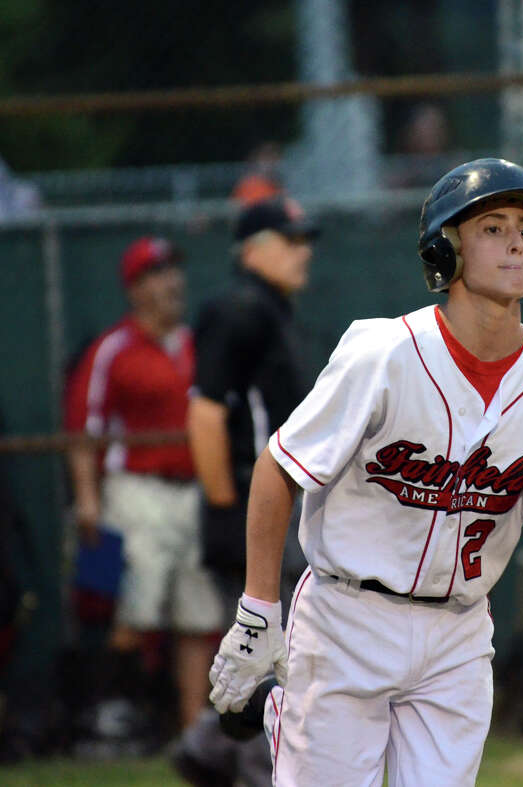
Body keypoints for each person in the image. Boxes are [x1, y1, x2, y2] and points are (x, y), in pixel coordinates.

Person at [206, 158, 523, 786]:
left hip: (457, 635)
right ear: (445, 249)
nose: (516, 239)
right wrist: (257, 611)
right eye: (492, 226)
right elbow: (279, 468)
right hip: (348, 620)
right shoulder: (383, 352)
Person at [172, 196, 319, 786]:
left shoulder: (271, 310)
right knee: (276, 647)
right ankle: (261, 770)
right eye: (289, 240)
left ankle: (208, 747)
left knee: (276, 644)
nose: (302, 251)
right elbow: (204, 415)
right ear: (253, 250)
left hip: (276, 507)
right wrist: (230, 509)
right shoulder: (239, 309)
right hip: (251, 506)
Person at [64, 237, 221, 738]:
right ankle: (113, 716)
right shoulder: (114, 348)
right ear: (135, 287)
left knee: (199, 614)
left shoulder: (198, 343)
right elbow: (83, 431)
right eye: (157, 273)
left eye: (174, 270)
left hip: (194, 489)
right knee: (134, 608)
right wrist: (88, 499)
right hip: (135, 490)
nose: (171, 281)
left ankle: (193, 727)